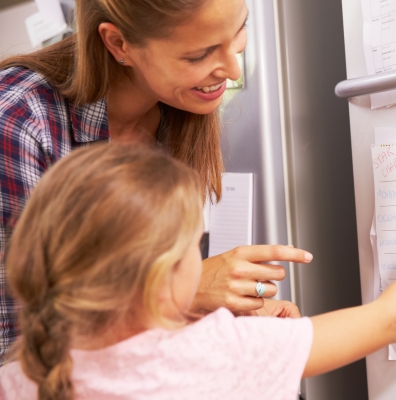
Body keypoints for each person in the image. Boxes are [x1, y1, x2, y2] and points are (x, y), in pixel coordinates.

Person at [0, 144, 396, 399]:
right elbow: (393, 320)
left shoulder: (22, 372)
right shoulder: (221, 353)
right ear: (161, 278)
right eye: (193, 247)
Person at [0, 0, 300, 362]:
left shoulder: (178, 106)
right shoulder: (18, 121)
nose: (233, 70)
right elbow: (18, 347)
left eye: (238, 31)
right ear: (119, 44)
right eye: (199, 55)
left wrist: (219, 318)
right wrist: (187, 288)